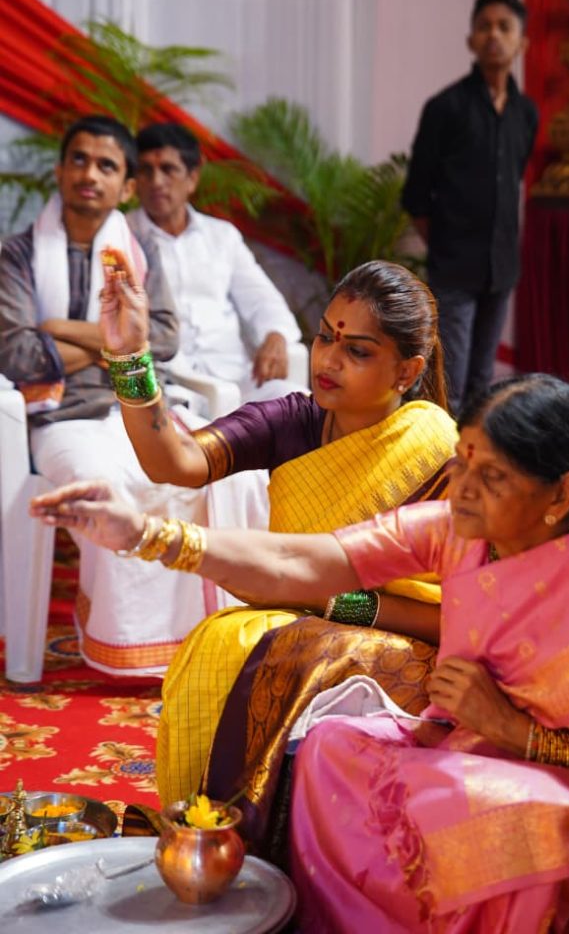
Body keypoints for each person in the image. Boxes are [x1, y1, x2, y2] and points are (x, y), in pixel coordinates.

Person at [31, 374, 569, 932]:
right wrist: (146, 533)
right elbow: (302, 560)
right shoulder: (466, 529)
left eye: (491, 476)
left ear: (561, 496)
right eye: (461, 461)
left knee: (486, 812)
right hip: (480, 745)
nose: (460, 489)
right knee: (331, 750)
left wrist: (518, 733)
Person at [49, 252, 456, 801]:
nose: (328, 359)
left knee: (265, 647)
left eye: (357, 350)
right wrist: (129, 356)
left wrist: (333, 603)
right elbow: (176, 462)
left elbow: (463, 619)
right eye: (324, 338)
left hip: (412, 649)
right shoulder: (294, 421)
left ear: (407, 371)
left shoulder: (438, 452)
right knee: (226, 640)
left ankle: (251, 821)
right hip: (302, 619)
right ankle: (218, 820)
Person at [0, 114, 213, 676]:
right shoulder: (18, 255)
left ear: (126, 187)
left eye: (106, 165)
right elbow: (17, 354)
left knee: (206, 474)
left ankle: (193, 640)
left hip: (137, 404)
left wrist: (57, 328)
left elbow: (161, 338)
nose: (89, 174)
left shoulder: (138, 252)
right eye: (78, 159)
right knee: (104, 485)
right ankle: (129, 643)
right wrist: (116, 342)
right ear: (59, 171)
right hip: (59, 414)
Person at [402, 0, 538, 415]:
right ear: (471, 40)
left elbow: (514, 179)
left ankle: (475, 454)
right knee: (450, 387)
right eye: (484, 27)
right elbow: (416, 196)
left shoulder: (526, 113)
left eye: (504, 27)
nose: (493, 35)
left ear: (522, 43)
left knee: (483, 384)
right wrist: (449, 243)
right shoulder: (445, 108)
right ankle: (441, 457)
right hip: (454, 270)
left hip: (502, 269)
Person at [127, 122, 304, 403]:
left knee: (297, 403)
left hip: (238, 378)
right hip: (168, 382)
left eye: (168, 169)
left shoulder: (221, 236)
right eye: (146, 170)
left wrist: (275, 335)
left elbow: (262, 299)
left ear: (192, 178)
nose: (156, 181)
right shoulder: (122, 235)